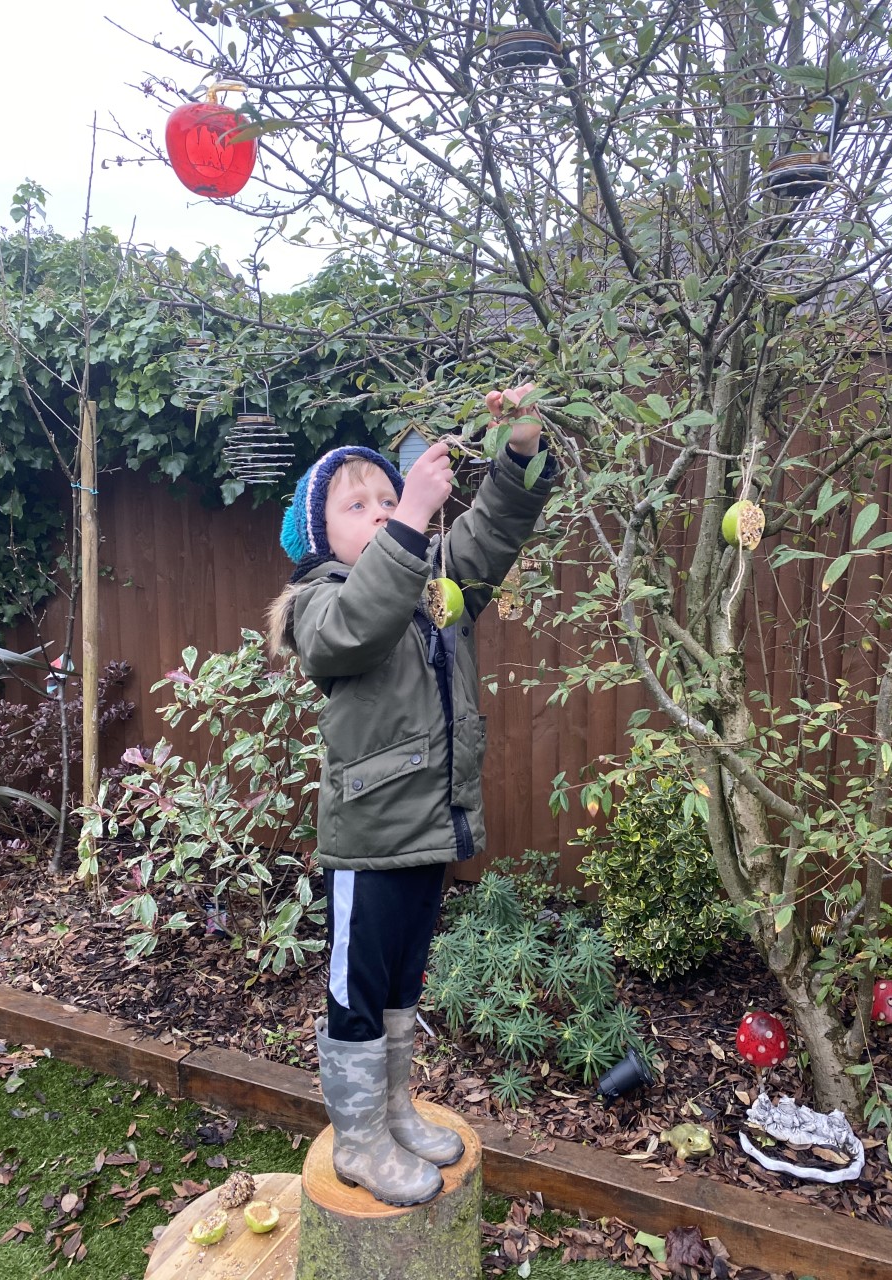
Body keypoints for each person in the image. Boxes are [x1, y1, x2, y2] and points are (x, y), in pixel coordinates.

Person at [267, 384, 556, 1206]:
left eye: (387, 497)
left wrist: (519, 451)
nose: (383, 510)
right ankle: (357, 1138)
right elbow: (357, 625)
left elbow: (491, 535)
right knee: (357, 993)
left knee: (402, 984)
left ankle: (392, 1108)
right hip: (367, 839)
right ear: (320, 535)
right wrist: (410, 519)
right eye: (357, 505)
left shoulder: (431, 584)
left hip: (428, 826)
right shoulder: (316, 603)